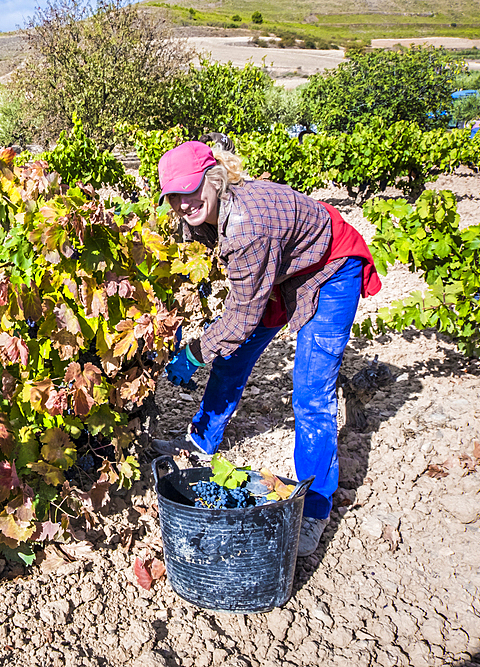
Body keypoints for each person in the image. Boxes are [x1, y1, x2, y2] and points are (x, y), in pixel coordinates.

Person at [153, 140, 382, 558]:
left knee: (312, 394)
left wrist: (194, 351)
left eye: (189, 191)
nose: (183, 204)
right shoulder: (199, 214)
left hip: (329, 269)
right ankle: (201, 443)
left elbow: (240, 319)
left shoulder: (246, 224)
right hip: (279, 272)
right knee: (232, 357)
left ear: (214, 179)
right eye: (174, 197)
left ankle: (313, 510)